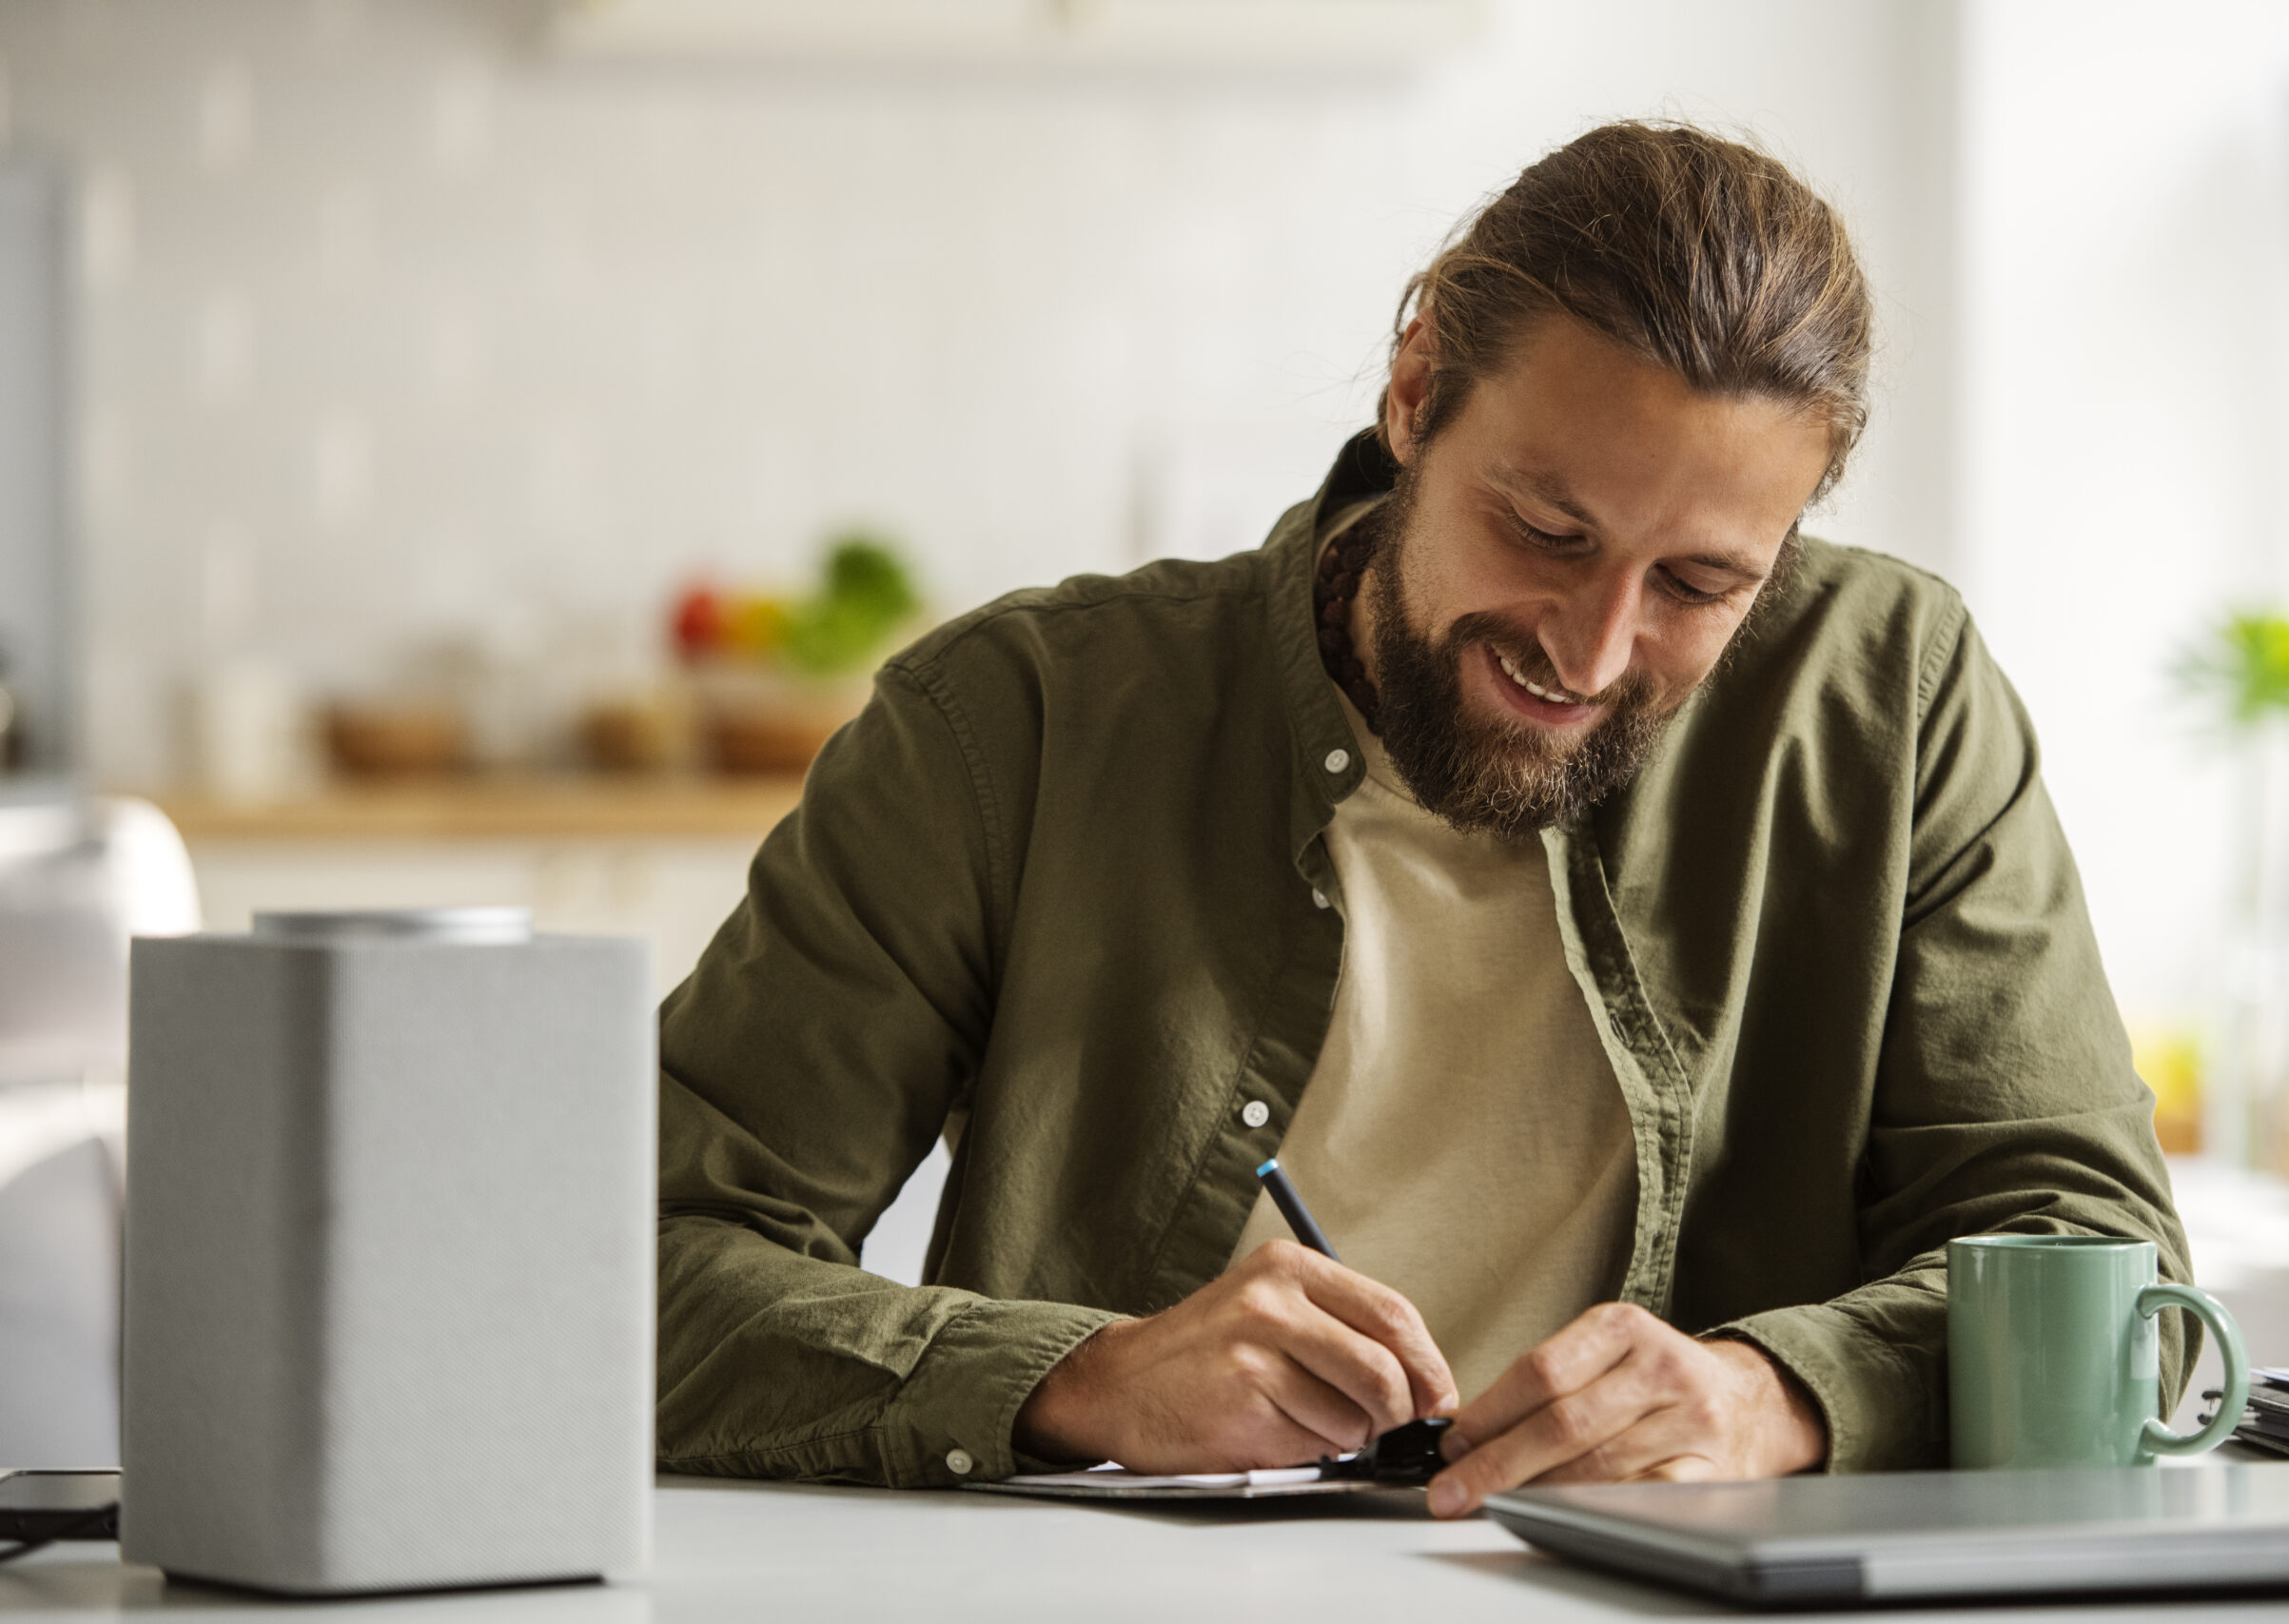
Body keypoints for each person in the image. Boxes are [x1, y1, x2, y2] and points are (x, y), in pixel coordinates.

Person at [655, 121, 2192, 1518]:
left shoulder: (1893, 697)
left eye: (1699, 584)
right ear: (1415, 389)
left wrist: (1777, 1395)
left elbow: (2104, 1276)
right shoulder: (1018, 724)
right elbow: (627, 1269)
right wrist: (1077, 1380)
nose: (1589, 654)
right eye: (1544, 530)